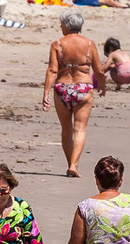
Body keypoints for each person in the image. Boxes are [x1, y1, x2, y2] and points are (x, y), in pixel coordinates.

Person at [41, 9, 105, 177]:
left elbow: (52, 71)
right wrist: (103, 86)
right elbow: (99, 70)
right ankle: (74, 165)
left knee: (66, 129)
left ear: (67, 26)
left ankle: (70, 163)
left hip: (62, 88)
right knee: (80, 128)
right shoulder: (89, 44)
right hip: (83, 88)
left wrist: (46, 93)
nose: (60, 26)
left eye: (61, 24)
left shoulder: (57, 44)